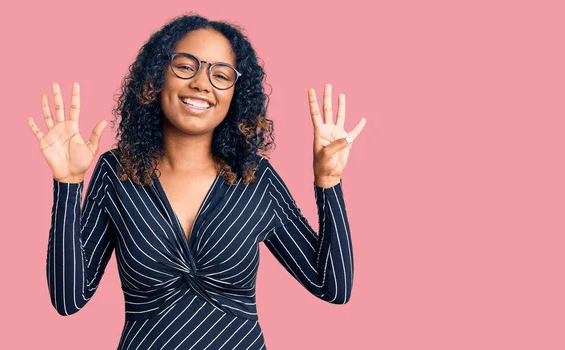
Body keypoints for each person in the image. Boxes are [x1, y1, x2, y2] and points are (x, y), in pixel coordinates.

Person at [27, 14, 366, 350]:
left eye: (220, 75)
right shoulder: (118, 172)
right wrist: (68, 183)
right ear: (156, 77)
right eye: (186, 66)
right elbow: (68, 299)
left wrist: (329, 182)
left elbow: (332, 287)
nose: (202, 83)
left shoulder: (255, 178)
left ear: (236, 94)